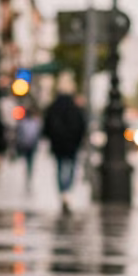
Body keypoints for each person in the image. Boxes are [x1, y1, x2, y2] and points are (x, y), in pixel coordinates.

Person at [43, 75, 86, 213]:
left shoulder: (53, 106)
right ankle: (67, 192)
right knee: (71, 169)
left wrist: (52, 139)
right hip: (72, 145)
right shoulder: (75, 107)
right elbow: (81, 126)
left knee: (60, 168)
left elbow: (47, 126)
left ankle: (63, 193)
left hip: (58, 144)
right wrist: (78, 141)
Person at [15, 107, 42, 187]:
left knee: (28, 161)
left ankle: (28, 174)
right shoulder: (34, 123)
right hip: (30, 145)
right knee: (30, 161)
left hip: (26, 145)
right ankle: (29, 173)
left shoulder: (23, 123)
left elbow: (20, 134)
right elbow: (37, 135)